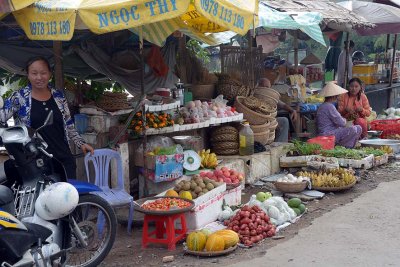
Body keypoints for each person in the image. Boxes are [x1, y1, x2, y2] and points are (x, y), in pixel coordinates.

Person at [0, 56, 94, 179]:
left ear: (50, 74)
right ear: (28, 75)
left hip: (63, 159)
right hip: (35, 162)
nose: (39, 77)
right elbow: (1, 117)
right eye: (34, 73)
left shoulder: (58, 96)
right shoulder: (19, 97)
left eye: (43, 73)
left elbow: (68, 124)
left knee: (68, 196)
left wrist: (81, 143)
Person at [316, 82, 362, 148]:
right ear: (334, 96)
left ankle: (348, 147)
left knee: (358, 128)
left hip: (331, 131)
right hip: (327, 134)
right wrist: (346, 120)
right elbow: (341, 122)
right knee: (353, 129)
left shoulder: (326, 105)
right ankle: (343, 146)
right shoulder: (329, 106)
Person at [257, 78, 297, 142]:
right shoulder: (255, 96)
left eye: (268, 87)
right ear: (259, 86)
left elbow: (283, 105)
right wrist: (272, 122)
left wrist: (292, 110)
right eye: (265, 87)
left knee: (284, 121)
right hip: (259, 122)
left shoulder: (270, 96)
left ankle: (280, 146)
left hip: (270, 120)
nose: (267, 89)